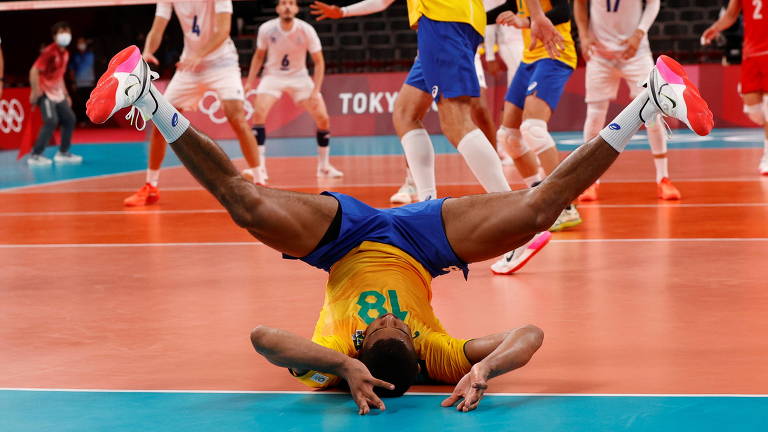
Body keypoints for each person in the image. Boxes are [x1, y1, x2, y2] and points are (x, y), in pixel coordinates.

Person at [87, 45, 712, 414]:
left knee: (246, 206)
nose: (389, 323)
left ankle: (145, 94)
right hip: (421, 242)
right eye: (399, 330)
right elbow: (529, 331)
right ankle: (650, 98)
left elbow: (264, 337)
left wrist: (340, 364)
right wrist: (486, 372)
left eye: (376, 329)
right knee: (536, 211)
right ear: (415, 348)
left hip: (343, 240)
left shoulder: (336, 363)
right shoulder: (437, 359)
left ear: (360, 347)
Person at [312, 0, 551, 276]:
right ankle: (427, 208)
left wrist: (536, 15)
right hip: (448, 22)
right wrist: (343, 11)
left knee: (455, 120)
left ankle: (518, 225)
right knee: (405, 112)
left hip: (443, 21)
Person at [123, 0, 263, 207]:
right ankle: (150, 186)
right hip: (189, 67)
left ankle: (260, 182)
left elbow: (223, 30)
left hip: (221, 63)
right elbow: (158, 26)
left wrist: (199, 55)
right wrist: (147, 51)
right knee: (160, 121)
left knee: (236, 116)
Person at [573, 0, 679, 201]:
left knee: (653, 113)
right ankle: (589, 182)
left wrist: (639, 33)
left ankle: (663, 178)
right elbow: (579, 3)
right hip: (599, 53)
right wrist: (584, 36)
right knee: (595, 116)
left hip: (635, 51)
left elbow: (653, 3)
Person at [494, 0, 582, 234]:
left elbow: (563, 12)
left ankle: (565, 206)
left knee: (533, 128)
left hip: (555, 54)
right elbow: (512, 5)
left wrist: (523, 21)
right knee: (507, 136)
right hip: (529, 58)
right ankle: (538, 197)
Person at [247, 0, 342, 182]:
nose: (287, 6)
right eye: (283, 3)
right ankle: (260, 168)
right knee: (258, 114)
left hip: (300, 78)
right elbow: (258, 56)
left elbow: (319, 62)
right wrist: (249, 82)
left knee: (323, 118)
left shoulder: (306, 30)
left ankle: (324, 166)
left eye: (291, 3)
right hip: (272, 76)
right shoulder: (266, 29)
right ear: (277, 9)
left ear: (296, 8)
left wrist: (316, 90)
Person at [702, 0, 768, 175]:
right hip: (751, 54)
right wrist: (716, 28)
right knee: (753, 110)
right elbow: (732, 14)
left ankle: (767, 157)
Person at [28, 22, 81, 166]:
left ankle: (63, 153)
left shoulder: (66, 54)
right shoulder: (49, 51)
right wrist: (35, 91)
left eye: (67, 31)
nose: (65, 35)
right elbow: (34, 70)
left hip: (57, 93)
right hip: (45, 92)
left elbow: (59, 76)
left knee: (69, 119)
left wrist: (66, 94)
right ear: (54, 36)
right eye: (61, 32)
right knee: (51, 121)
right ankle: (35, 155)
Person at [69, 37, 95, 126]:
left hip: (90, 83)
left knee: (91, 103)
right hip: (79, 84)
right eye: (79, 43)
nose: (81, 45)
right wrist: (73, 82)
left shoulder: (91, 54)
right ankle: (82, 120)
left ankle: (91, 121)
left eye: (82, 42)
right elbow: (71, 70)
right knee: (80, 104)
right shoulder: (74, 56)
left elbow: (95, 67)